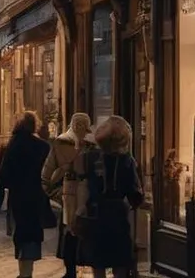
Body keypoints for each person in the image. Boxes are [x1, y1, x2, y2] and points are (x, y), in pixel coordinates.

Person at [75, 116, 144, 278]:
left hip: (95, 214)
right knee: (119, 261)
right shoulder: (127, 161)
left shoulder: (90, 158)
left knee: (98, 262)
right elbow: (135, 193)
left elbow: (82, 183)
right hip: (117, 216)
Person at [0, 112, 53, 278]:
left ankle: (24, 271)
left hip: (18, 196)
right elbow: (48, 173)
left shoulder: (13, 145)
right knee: (32, 231)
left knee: (21, 232)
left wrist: (1, 189)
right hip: (36, 196)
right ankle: (27, 271)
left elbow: (4, 173)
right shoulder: (43, 147)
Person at [42, 112, 93, 278]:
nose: (86, 133)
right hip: (70, 195)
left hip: (84, 195)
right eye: (84, 129)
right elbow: (48, 173)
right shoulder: (62, 143)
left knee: (78, 233)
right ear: (78, 127)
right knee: (70, 232)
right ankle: (71, 270)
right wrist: (55, 193)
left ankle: (77, 269)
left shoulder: (89, 145)